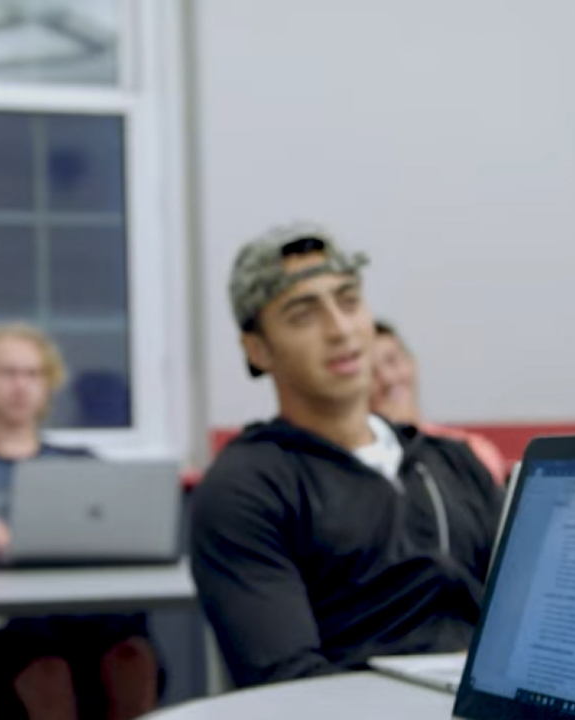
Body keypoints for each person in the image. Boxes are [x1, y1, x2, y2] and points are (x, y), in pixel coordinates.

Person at [190, 222, 504, 689]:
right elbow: (288, 684)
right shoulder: (247, 489)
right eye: (303, 314)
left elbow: (536, 625)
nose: (340, 330)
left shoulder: (451, 463)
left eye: (349, 301)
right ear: (257, 349)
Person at [0, 324, 159, 720]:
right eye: (8, 373)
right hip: (7, 623)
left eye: (33, 374)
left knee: (131, 650)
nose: (21, 385)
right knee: (43, 664)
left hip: (86, 611)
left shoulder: (82, 463)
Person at [369, 320, 509, 485]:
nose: (388, 378)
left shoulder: (472, 451)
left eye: (392, 361)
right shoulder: (361, 464)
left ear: (412, 363)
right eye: (371, 371)